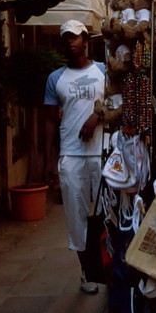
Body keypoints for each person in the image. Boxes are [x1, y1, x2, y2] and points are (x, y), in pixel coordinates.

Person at [44, 19, 107, 294]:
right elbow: (48, 122)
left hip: (102, 152)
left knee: (107, 214)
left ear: (85, 40)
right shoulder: (55, 79)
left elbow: (119, 100)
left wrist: (97, 113)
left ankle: (108, 267)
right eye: (66, 38)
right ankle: (87, 271)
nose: (71, 42)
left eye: (75, 37)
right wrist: (48, 159)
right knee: (76, 218)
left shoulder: (104, 71)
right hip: (71, 154)